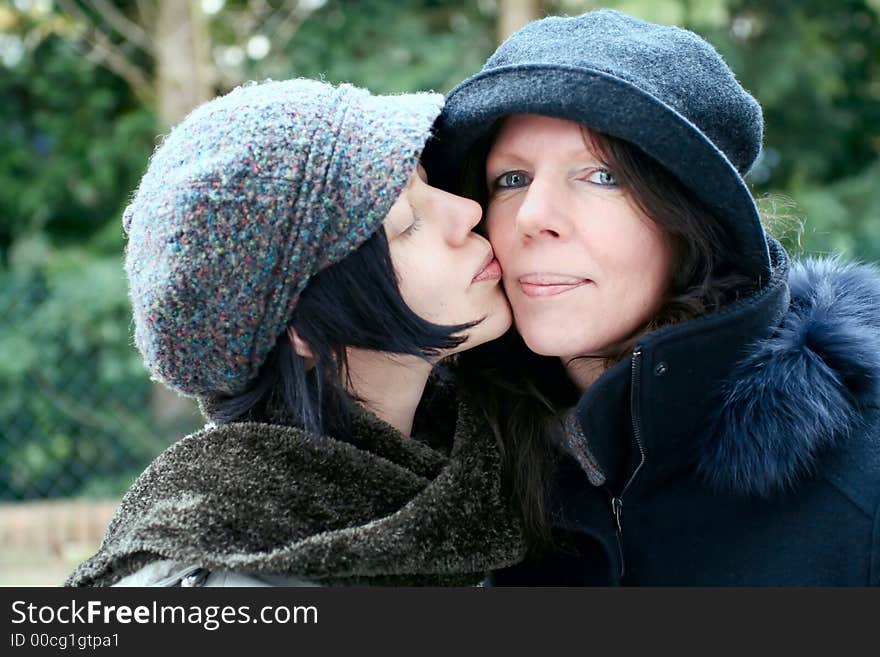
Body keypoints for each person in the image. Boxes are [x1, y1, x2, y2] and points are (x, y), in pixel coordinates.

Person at [425, 9, 880, 585]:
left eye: (599, 176)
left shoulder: (862, 477)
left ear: (693, 219)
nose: (534, 217)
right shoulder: (452, 473)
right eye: (511, 180)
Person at [66, 78, 525, 587]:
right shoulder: (219, 579)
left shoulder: (481, 465)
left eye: (425, 183)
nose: (468, 212)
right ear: (304, 329)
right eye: (407, 223)